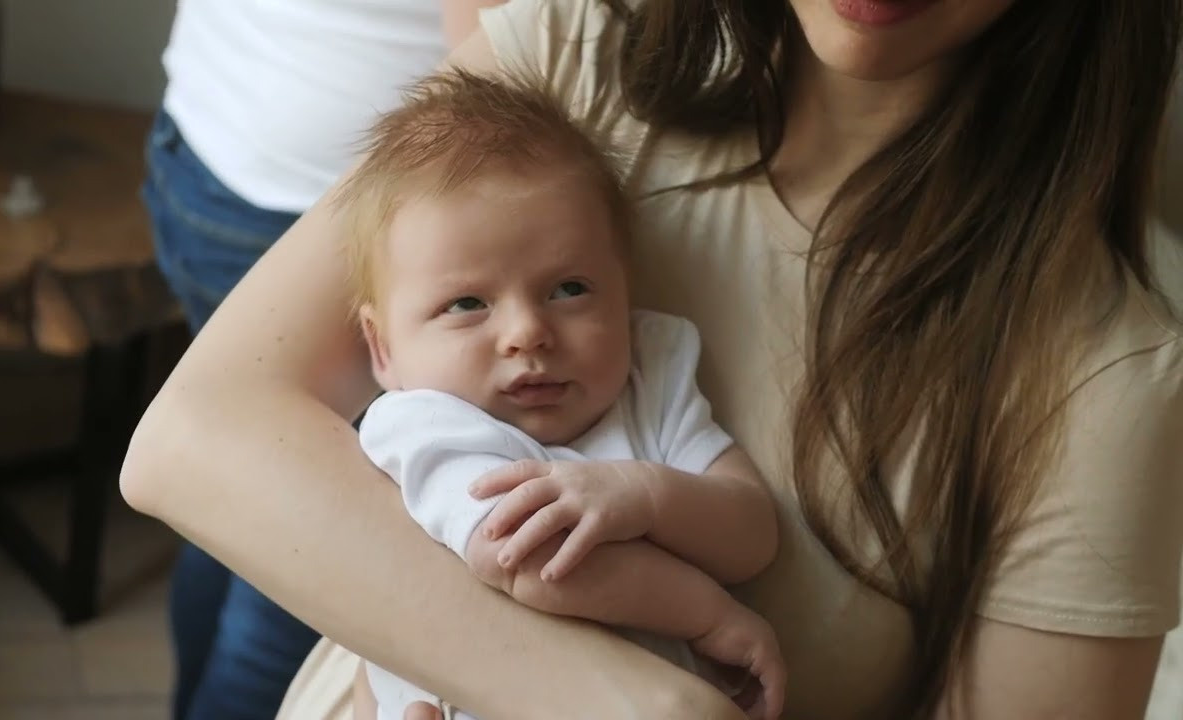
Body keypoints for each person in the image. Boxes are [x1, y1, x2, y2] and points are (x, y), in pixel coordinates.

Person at [122, 1, 1183, 718]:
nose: (531, 333)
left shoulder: (1099, 367)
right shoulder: (574, 61)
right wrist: (641, 701)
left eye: (572, 291)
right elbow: (190, 442)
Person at [337, 71, 784, 719]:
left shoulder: (647, 380)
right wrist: (707, 614)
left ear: (624, 290)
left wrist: (647, 496)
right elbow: (529, 560)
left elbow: (752, 534)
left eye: (570, 289)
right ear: (384, 350)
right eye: (466, 304)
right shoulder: (421, 425)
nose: (526, 333)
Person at [139, 2, 500, 718]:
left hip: (208, 143)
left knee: (225, 508)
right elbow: (498, 60)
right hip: (326, 222)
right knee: (289, 602)